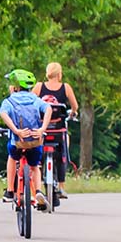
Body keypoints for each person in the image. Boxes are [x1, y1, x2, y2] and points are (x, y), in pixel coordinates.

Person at [0, 69, 53, 211]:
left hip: (17, 141)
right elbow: (48, 109)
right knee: (35, 167)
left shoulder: (9, 101)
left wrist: (16, 130)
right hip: (35, 141)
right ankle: (38, 192)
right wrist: (42, 129)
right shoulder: (35, 99)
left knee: (12, 157)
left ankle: (10, 191)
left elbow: (3, 114)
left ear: (15, 86)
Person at [32, 61, 79, 200]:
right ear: (59, 74)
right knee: (63, 153)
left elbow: (31, 102)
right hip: (59, 130)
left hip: (42, 129)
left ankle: (37, 186)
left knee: (36, 154)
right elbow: (75, 107)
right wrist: (72, 114)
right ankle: (62, 186)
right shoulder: (66, 87)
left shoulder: (39, 87)